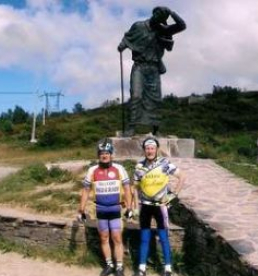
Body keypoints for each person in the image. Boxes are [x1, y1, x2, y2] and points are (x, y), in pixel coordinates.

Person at [118, 7, 186, 136]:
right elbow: (128, 37)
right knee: (136, 95)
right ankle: (131, 126)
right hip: (139, 66)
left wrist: (171, 13)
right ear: (154, 13)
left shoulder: (162, 30)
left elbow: (182, 25)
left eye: (162, 17)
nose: (158, 18)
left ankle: (156, 128)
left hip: (154, 69)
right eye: (158, 14)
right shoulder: (138, 26)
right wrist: (122, 45)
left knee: (155, 100)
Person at [78, 138, 133, 276]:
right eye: (101, 153)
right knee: (103, 238)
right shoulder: (92, 170)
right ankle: (109, 265)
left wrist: (130, 208)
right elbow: (85, 190)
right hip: (101, 210)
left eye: (107, 153)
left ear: (111, 154)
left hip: (115, 209)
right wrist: (81, 210)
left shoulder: (119, 169)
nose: (104, 155)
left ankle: (119, 267)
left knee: (117, 238)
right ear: (98, 155)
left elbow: (127, 189)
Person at [132, 137, 186, 276]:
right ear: (144, 150)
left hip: (160, 206)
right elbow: (135, 187)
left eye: (152, 148)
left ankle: (168, 268)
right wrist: (135, 206)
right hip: (145, 205)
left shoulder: (164, 163)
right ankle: (142, 268)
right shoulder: (139, 166)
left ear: (156, 150)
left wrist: (173, 195)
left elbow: (182, 177)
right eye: (147, 148)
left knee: (163, 237)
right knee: (144, 237)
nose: (150, 151)